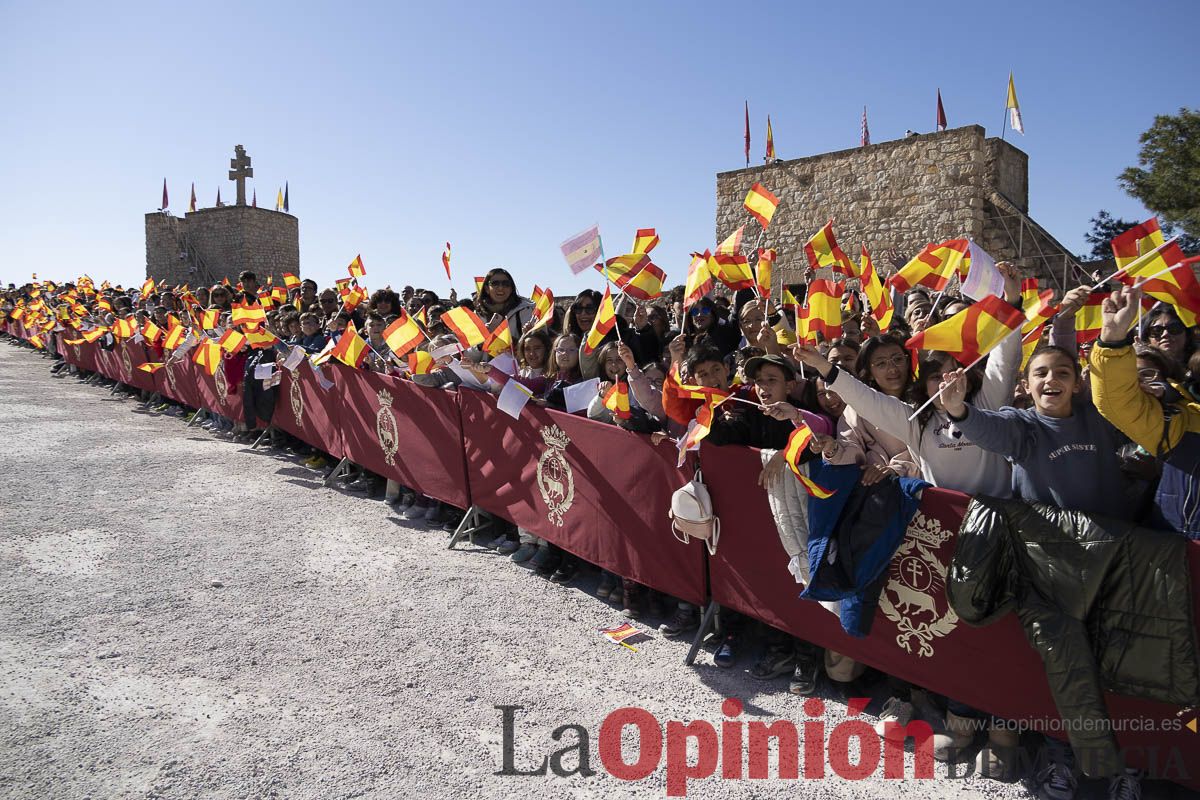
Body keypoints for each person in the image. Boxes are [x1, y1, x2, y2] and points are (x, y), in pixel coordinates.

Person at [1092, 286, 1200, 539]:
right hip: (1184, 549)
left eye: (1174, 329)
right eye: (1157, 330)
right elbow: (1118, 401)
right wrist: (1113, 340)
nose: (1166, 334)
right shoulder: (1183, 420)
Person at [475, 268, 535, 339]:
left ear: (511, 289)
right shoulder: (478, 314)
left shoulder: (525, 310)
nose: (500, 288)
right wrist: (481, 342)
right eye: (495, 283)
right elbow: (468, 348)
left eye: (506, 284)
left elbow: (539, 344)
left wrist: (526, 336)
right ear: (487, 289)